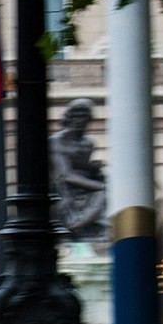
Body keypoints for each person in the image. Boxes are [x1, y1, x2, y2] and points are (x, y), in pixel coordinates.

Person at [51, 97, 108, 243]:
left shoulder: (88, 144)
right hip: (63, 186)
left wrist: (94, 169)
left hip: (82, 185)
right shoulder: (57, 141)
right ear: (68, 117)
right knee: (102, 192)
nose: (79, 120)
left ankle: (83, 227)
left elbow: (83, 169)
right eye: (75, 115)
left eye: (83, 116)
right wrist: (100, 185)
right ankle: (75, 226)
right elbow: (65, 175)